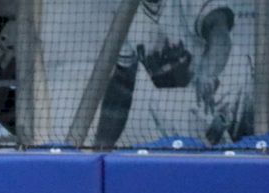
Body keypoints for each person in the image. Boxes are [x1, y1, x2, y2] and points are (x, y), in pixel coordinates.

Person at [94, 1, 251, 148]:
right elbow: (122, 86)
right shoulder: (126, 15)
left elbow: (219, 30)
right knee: (163, 105)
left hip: (235, 89)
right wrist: (100, 146)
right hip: (194, 109)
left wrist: (208, 73)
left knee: (257, 148)